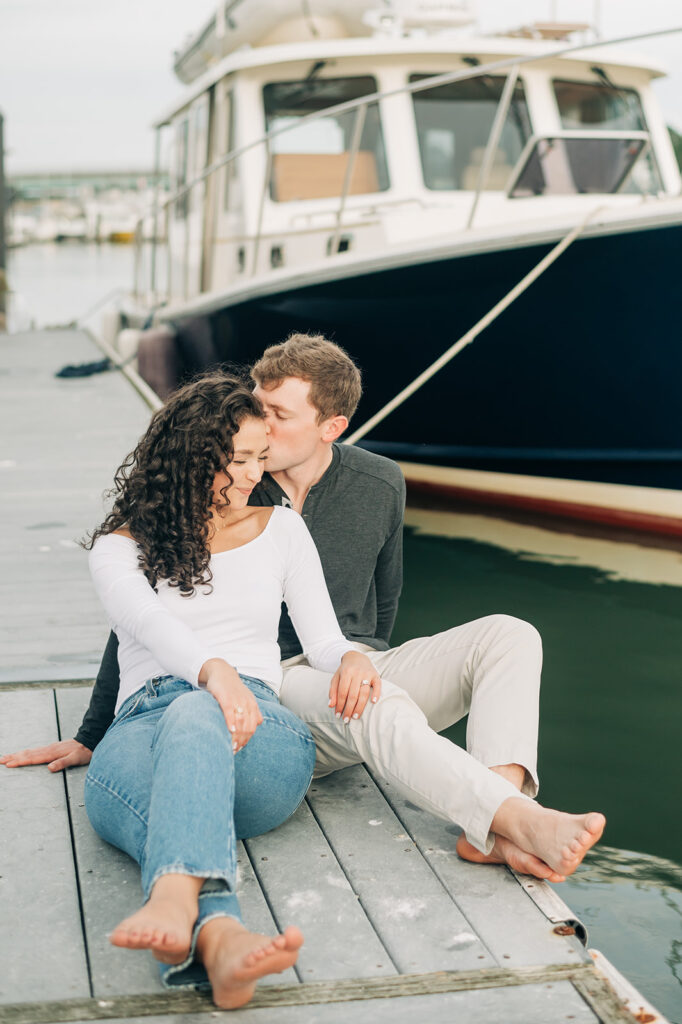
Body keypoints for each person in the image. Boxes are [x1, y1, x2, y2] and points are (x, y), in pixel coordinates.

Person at [2, 336, 605, 883]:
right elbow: (140, 619)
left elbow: (383, 598)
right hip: (274, 682)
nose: (257, 428)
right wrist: (92, 731)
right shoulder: (226, 482)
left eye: (276, 416)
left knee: (510, 635)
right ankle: (514, 822)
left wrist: (358, 658)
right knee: (377, 705)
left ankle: (499, 818)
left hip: (336, 662)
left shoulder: (378, 483)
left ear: (330, 426)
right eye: (255, 412)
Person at [41, 372, 388, 1009]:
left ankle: (174, 897)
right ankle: (223, 938)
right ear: (191, 462)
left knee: (200, 712)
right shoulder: (120, 549)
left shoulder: (281, 530)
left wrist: (352, 660)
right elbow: (144, 621)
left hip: (260, 738)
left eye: (263, 456)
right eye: (239, 460)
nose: (256, 473)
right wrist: (212, 669)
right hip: (139, 742)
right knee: (192, 717)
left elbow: (325, 637)